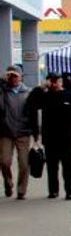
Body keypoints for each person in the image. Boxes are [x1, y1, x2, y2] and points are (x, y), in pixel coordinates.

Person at [37, 72, 71, 199]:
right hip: (50, 136)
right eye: (51, 81)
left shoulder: (69, 96)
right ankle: (53, 190)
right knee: (52, 165)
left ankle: (70, 190)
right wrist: (41, 88)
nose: (54, 84)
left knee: (67, 163)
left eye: (56, 81)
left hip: (66, 135)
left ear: (60, 82)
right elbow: (31, 104)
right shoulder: (45, 96)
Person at [0, 65, 35, 199]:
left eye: (15, 75)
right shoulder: (3, 91)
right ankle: (8, 184)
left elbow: (32, 113)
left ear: (21, 77)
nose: (12, 78)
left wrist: (35, 134)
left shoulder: (27, 93)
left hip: (23, 132)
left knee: (24, 163)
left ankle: (21, 190)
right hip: (5, 132)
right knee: (4, 161)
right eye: (10, 75)